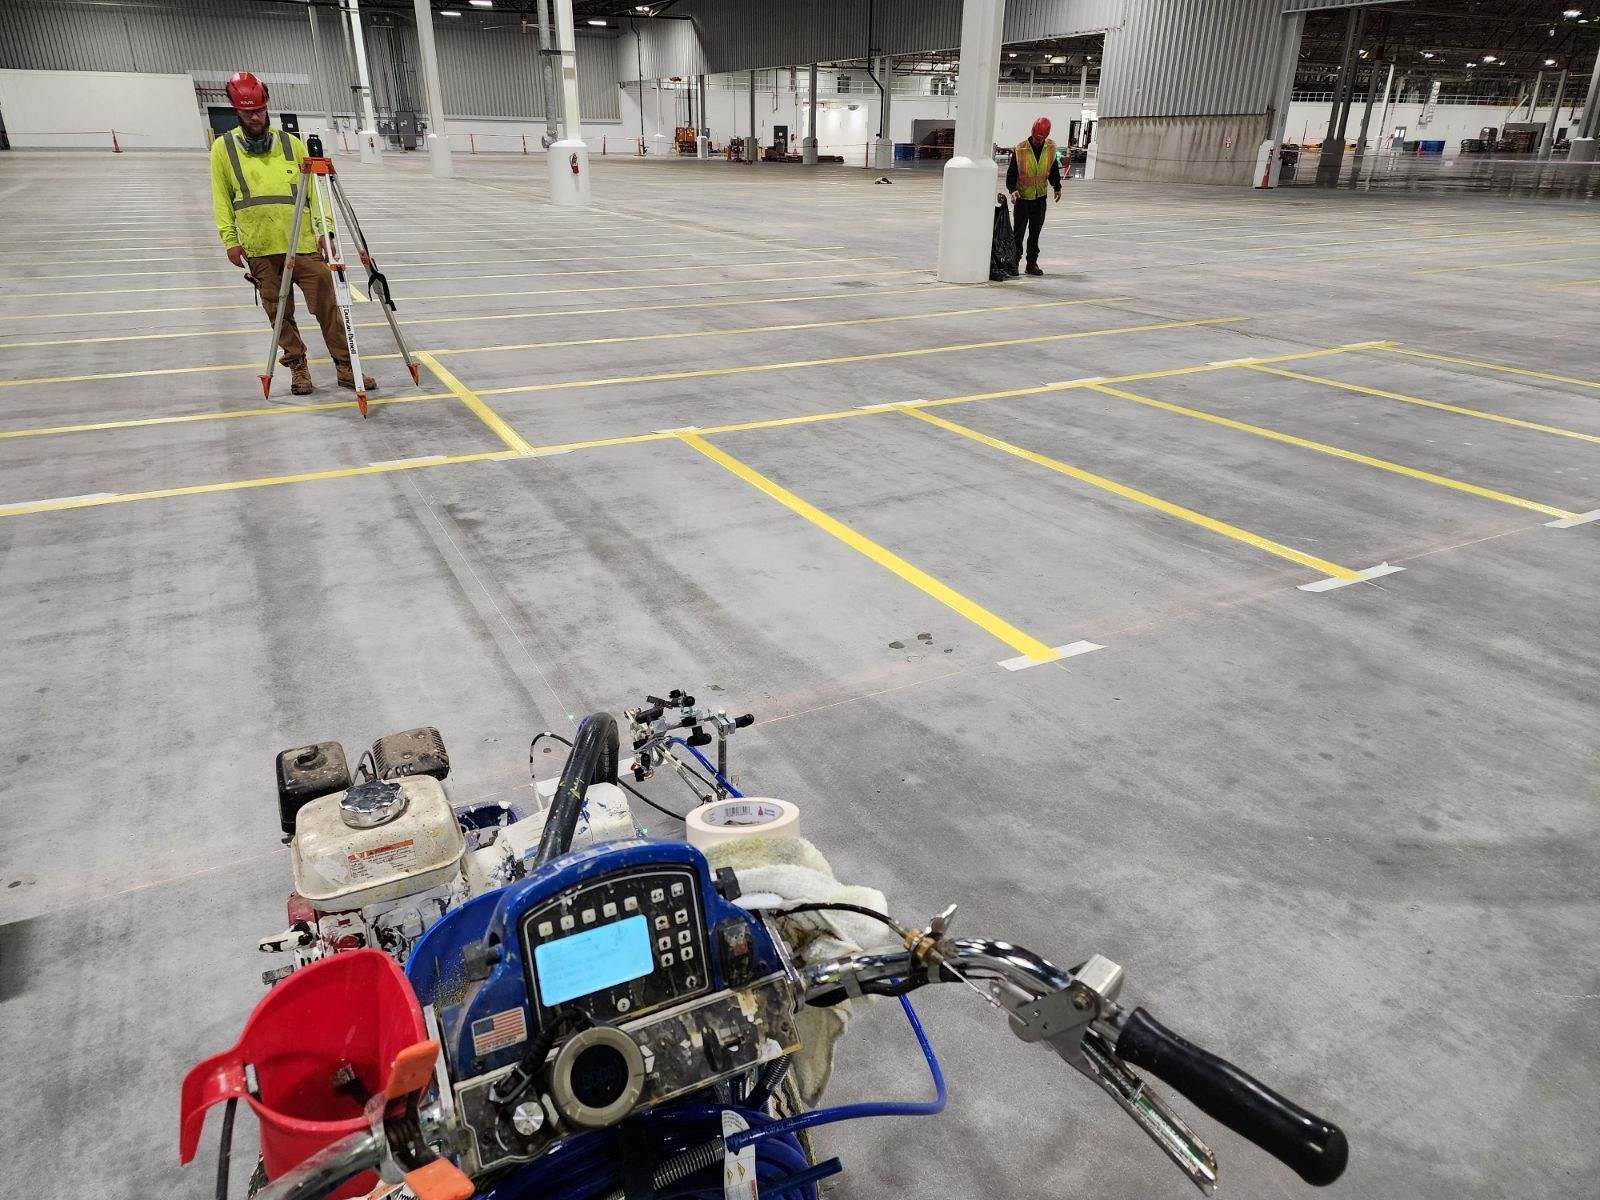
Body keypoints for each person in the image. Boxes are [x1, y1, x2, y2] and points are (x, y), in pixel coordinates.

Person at [210, 71, 374, 397]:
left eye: (259, 110)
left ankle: (345, 365)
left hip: (301, 244)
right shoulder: (223, 149)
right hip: (259, 247)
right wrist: (230, 240)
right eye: (247, 112)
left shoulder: (292, 144)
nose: (255, 117)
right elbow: (222, 197)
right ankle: (298, 367)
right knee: (278, 311)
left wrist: (326, 231)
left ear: (267, 105)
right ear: (236, 111)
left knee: (327, 299)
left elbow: (316, 193)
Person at [1006, 117, 1064, 277]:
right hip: (1023, 198)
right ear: (1032, 132)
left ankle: (1031, 264)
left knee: (1035, 234)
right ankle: (1014, 263)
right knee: (1018, 234)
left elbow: (1053, 170)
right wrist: (1013, 190)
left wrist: (1057, 186)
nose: (1039, 141)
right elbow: (1011, 173)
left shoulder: (1051, 147)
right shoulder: (1020, 149)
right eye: (1037, 137)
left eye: (1042, 138)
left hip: (1040, 199)